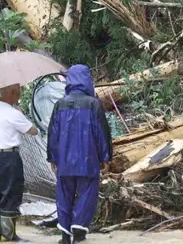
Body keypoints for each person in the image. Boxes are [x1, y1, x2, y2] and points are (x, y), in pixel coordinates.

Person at [47, 65, 112, 244]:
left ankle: (65, 236)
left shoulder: (60, 105)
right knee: (88, 192)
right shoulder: (93, 104)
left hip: (65, 161)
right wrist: (105, 157)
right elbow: (101, 133)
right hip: (88, 159)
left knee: (64, 196)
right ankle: (79, 228)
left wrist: (53, 157)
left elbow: (53, 133)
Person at [0, 83, 39, 242]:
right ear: (12, 93)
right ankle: (10, 235)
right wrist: (23, 118)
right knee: (12, 192)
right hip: (10, 157)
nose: (20, 96)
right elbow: (32, 130)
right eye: (19, 93)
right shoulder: (13, 113)